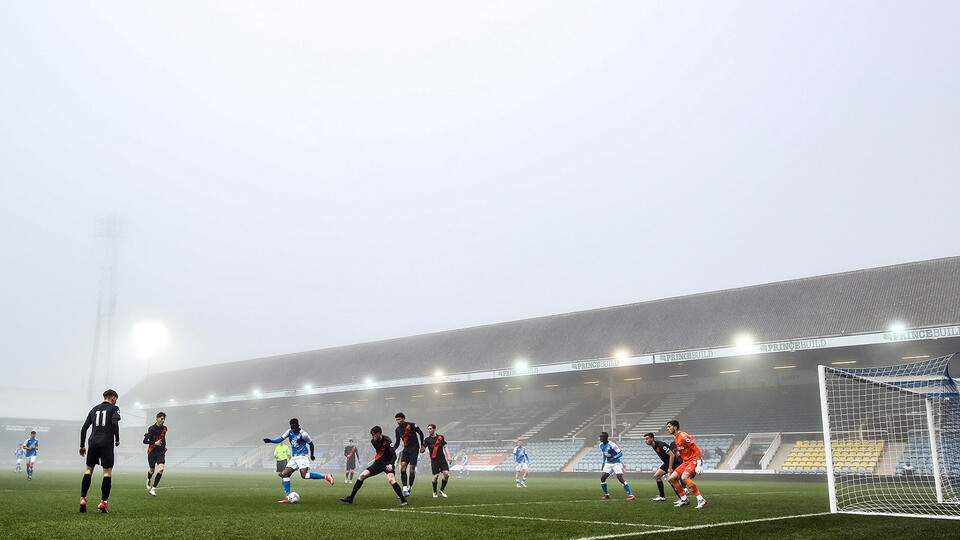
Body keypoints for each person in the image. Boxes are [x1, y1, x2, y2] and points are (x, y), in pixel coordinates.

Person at [262, 418, 334, 503]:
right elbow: (281, 439)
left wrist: (312, 455)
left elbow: (311, 444)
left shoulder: (304, 434)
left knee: (304, 475)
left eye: (294, 428)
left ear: (298, 425)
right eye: (292, 427)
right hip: (294, 457)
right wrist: (271, 441)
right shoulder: (289, 431)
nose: (293, 429)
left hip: (302, 456)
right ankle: (288, 497)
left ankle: (326, 476)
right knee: (285, 474)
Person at [340, 425, 408, 506]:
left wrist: (391, 464)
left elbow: (394, 455)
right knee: (362, 476)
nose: (373, 437)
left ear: (379, 433)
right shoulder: (373, 441)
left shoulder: (387, 440)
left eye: (374, 435)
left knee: (391, 480)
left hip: (387, 463)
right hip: (378, 463)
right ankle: (350, 498)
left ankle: (404, 500)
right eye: (372, 435)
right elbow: (379, 452)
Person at [79, 389, 121, 513]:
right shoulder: (114, 408)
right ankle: (103, 503)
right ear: (113, 398)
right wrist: (117, 439)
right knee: (107, 472)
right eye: (115, 399)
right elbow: (114, 424)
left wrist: (82, 445)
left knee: (88, 470)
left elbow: (84, 428)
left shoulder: (93, 410)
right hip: (106, 442)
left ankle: (83, 498)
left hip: (92, 442)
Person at [666, 420, 706, 509]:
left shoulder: (684, 436)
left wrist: (699, 464)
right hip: (687, 462)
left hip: (694, 460)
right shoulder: (676, 439)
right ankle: (684, 500)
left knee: (684, 478)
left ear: (675, 427)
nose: (667, 428)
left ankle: (701, 499)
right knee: (671, 479)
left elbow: (696, 449)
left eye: (669, 426)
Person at [644, 432, 683, 502]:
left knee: (671, 480)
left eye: (647, 439)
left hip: (675, 463)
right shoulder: (653, 445)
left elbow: (672, 455)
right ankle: (662, 496)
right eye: (645, 439)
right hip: (667, 463)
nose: (645, 441)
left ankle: (682, 498)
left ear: (652, 438)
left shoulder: (660, 445)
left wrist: (670, 468)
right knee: (657, 476)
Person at [393, 412, 424, 497]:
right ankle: (405, 489)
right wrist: (392, 450)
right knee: (403, 468)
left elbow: (421, 434)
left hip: (414, 449)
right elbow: (397, 442)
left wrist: (422, 446)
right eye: (396, 420)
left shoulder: (412, 425)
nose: (398, 421)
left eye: (399, 419)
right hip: (406, 450)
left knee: (411, 470)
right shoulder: (397, 430)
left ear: (403, 419)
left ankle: (410, 486)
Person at [598, 432, 635, 500]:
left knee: (619, 477)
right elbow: (604, 454)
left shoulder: (612, 445)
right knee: (602, 478)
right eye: (600, 437)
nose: (600, 438)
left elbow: (620, 453)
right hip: (608, 463)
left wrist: (614, 457)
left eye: (602, 437)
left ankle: (631, 495)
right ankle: (607, 494)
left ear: (606, 438)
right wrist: (603, 463)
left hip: (616, 463)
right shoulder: (601, 445)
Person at [421, 423, 452, 498]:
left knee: (447, 474)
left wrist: (449, 456)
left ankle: (442, 490)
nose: (429, 430)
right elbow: (422, 449)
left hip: (442, 459)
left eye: (430, 429)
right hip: (434, 460)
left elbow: (445, 447)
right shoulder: (427, 439)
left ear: (434, 429)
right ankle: (434, 491)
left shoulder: (441, 437)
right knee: (436, 476)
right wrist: (421, 449)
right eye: (428, 429)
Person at [143, 412, 168, 496]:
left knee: (161, 469)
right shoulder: (152, 429)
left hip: (161, 452)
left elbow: (163, 439)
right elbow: (145, 441)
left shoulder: (165, 429)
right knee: (152, 470)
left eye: (164, 419)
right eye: (161, 419)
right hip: (152, 452)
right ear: (157, 418)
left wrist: (165, 446)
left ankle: (153, 489)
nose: (163, 420)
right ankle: (148, 479)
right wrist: (155, 442)